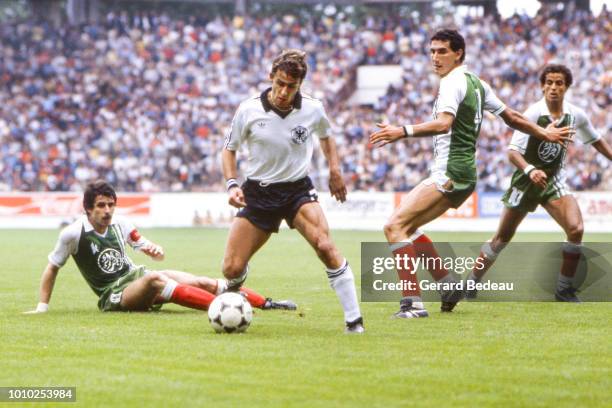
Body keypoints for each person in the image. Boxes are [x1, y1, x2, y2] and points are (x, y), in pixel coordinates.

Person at [369, 29, 574, 318]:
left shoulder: (452, 82)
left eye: (442, 51)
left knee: (394, 227)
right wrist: (544, 133)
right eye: (432, 51)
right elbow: (512, 117)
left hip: (450, 170)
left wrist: (401, 131)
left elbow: (443, 124)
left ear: (458, 53)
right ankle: (448, 285)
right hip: (461, 171)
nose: (435, 57)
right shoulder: (476, 83)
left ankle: (412, 304)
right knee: (408, 227)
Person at [221, 49, 364, 333]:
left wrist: (335, 170)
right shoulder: (248, 109)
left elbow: (327, 137)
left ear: (300, 85)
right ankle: (235, 293)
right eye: (280, 84)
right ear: (271, 77)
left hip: (297, 190)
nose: (284, 91)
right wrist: (232, 184)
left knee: (325, 246)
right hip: (258, 193)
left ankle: (354, 321)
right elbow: (229, 149)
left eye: (291, 86)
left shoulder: (313, 108)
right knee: (231, 269)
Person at [25, 180, 295, 313]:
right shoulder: (72, 234)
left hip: (137, 277)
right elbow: (52, 268)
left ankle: (267, 303)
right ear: (87, 209)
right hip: (114, 295)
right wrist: (42, 307)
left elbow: (142, 244)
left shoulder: (120, 223)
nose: (108, 211)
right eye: (101, 206)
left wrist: (153, 249)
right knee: (156, 279)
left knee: (200, 280)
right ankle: (224, 307)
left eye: (111, 204)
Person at [465, 64, 612, 302]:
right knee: (502, 238)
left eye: (559, 83)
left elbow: (596, 140)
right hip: (525, 181)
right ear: (542, 86)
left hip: (553, 181)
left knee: (576, 229)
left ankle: (564, 290)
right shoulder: (533, 113)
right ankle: (471, 282)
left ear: (567, 87)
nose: (553, 88)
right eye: (549, 83)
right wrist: (530, 169)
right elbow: (512, 152)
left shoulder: (576, 115)